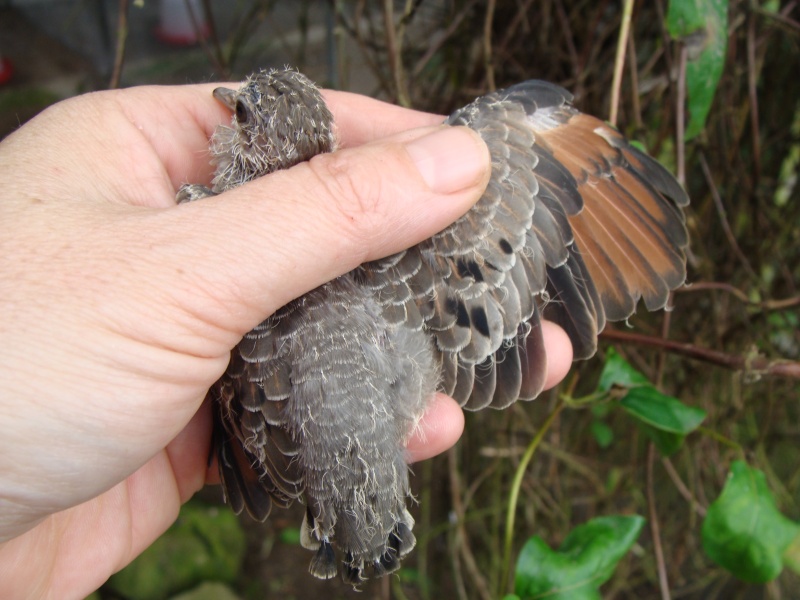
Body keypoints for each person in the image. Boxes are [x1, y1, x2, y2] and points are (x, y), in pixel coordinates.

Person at [0, 82, 572, 598]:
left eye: (242, 113)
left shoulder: (205, 224)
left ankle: (348, 523)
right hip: (390, 385)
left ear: (249, 144)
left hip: (279, 428)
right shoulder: (397, 244)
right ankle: (364, 522)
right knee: (504, 126)